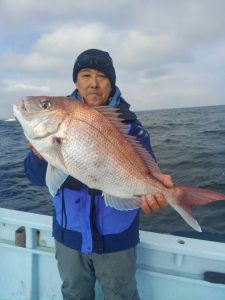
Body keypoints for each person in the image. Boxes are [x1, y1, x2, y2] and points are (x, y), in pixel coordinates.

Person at [24, 49, 173, 300]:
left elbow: (146, 175)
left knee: (121, 296)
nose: (94, 83)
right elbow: (36, 178)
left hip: (117, 240)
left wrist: (155, 191)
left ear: (111, 83)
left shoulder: (131, 127)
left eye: (102, 76)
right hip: (69, 238)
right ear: (76, 81)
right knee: (74, 294)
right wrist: (41, 156)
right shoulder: (56, 118)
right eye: (85, 75)